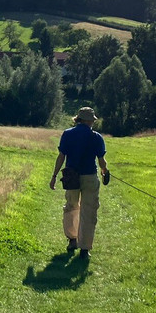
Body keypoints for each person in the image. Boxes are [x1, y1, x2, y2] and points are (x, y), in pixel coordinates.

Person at [49, 106, 108, 258]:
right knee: (89, 212)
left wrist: (54, 175)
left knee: (71, 207)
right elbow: (101, 161)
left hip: (71, 177)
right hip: (89, 177)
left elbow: (61, 157)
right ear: (89, 121)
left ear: (78, 119)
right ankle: (85, 248)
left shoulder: (67, 134)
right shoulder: (96, 137)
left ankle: (72, 239)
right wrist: (104, 172)